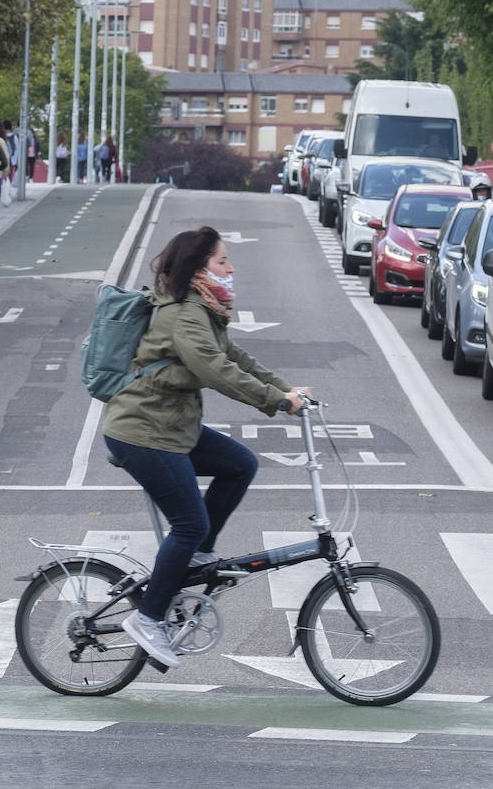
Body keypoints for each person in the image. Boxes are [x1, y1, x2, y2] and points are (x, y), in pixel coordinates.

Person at [102, 228, 310, 668]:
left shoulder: (203, 311)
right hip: (142, 432)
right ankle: (149, 617)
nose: (231, 269)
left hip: (172, 427)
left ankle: (192, 560)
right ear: (199, 269)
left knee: (239, 464)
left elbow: (237, 358)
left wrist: (286, 387)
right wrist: (275, 402)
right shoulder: (183, 315)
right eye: (222, 262)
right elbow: (215, 369)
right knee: (189, 523)